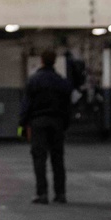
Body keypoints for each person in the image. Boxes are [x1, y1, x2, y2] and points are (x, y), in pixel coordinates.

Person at [19, 48, 71, 205]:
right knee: (58, 159)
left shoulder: (34, 80)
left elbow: (26, 105)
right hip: (57, 123)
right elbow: (67, 106)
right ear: (54, 61)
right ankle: (60, 194)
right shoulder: (61, 82)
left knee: (39, 159)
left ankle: (42, 194)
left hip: (38, 123)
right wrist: (65, 124)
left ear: (41, 60)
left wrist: (22, 125)